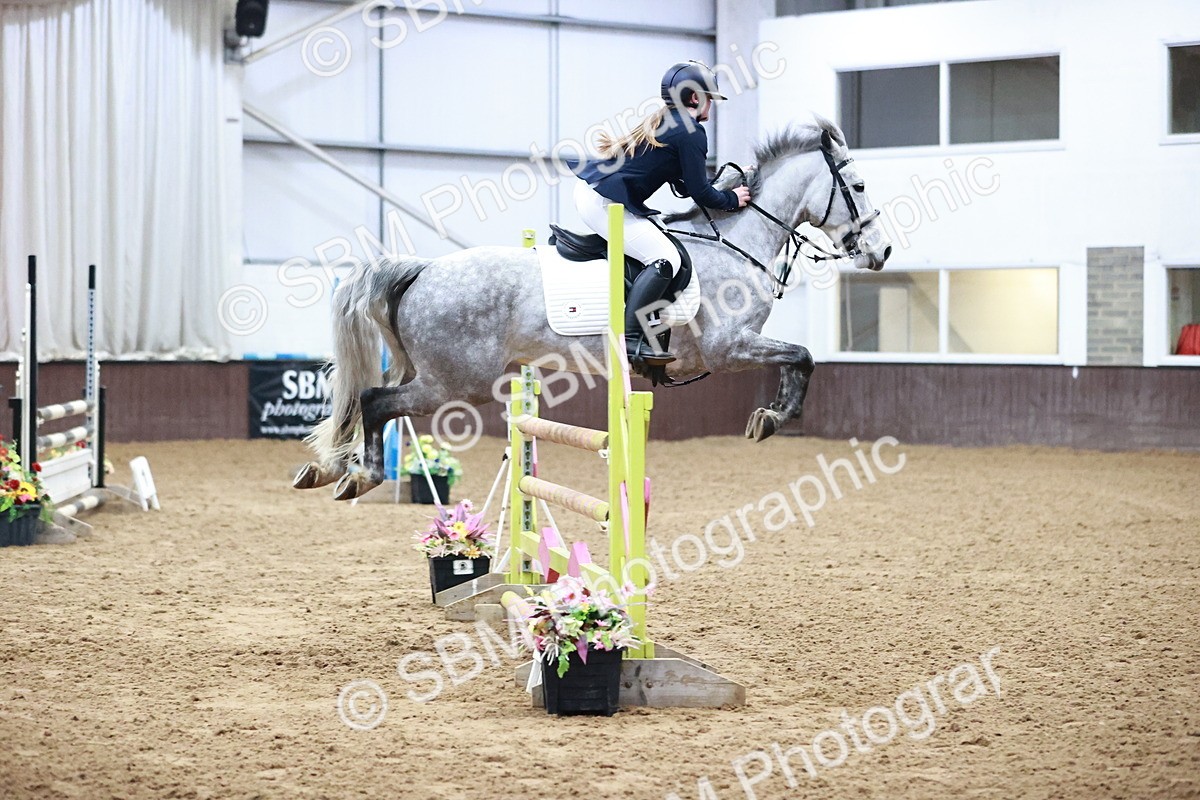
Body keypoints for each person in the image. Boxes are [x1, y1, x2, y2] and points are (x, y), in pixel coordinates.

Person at [573, 61, 752, 367]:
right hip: (604, 202)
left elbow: (685, 183)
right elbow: (701, 193)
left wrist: (724, 185)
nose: (712, 105)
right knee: (666, 259)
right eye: (709, 97)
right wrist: (731, 199)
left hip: (595, 195)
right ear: (695, 98)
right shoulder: (691, 132)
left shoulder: (670, 121)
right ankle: (630, 340)